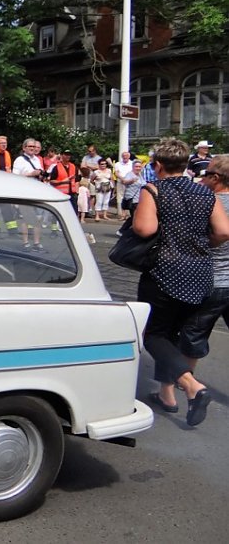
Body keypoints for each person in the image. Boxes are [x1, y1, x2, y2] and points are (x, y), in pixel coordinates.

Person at [132, 138, 229, 426]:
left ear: (158, 165)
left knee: (154, 335)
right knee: (179, 336)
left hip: (166, 273)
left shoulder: (153, 189)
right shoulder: (204, 194)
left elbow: (144, 228)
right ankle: (169, 395)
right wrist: (200, 243)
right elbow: (223, 231)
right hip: (201, 275)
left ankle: (190, 386)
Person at [177, 155, 229, 385]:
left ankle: (187, 381)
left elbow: (219, 233)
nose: (200, 177)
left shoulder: (207, 202)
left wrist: (204, 245)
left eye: (205, 173)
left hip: (213, 279)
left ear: (215, 178)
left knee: (194, 330)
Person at [12, 138, 45, 249]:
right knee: (25, 219)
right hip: (24, 192)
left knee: (38, 218)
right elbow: (14, 177)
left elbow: (39, 172)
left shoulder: (37, 159)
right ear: (24, 148)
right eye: (29, 146)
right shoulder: (19, 160)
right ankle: (25, 242)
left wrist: (40, 174)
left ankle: (36, 243)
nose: (32, 148)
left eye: (33, 146)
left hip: (37, 191)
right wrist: (30, 174)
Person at [114, 151, 135, 219]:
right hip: (121, 182)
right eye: (124, 156)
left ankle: (130, 213)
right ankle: (123, 214)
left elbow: (134, 173)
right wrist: (123, 179)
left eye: (126, 156)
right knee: (121, 197)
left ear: (129, 156)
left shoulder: (132, 163)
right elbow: (116, 173)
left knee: (130, 197)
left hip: (130, 182)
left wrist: (128, 180)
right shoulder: (118, 164)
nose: (125, 157)